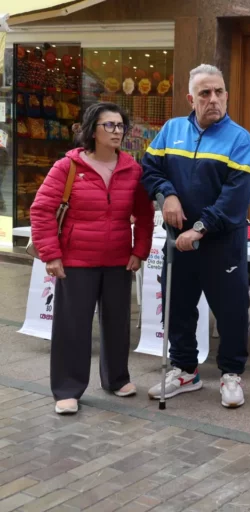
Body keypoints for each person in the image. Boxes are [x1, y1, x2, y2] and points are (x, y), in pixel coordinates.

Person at [141, 64, 250, 409]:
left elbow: (235, 197)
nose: (213, 99)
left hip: (222, 243)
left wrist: (200, 228)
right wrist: (167, 195)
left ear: (226, 95)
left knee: (232, 311)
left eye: (219, 92)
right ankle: (185, 371)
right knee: (177, 307)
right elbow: (149, 169)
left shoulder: (239, 138)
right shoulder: (171, 130)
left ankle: (231, 374)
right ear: (191, 99)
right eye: (205, 93)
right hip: (178, 241)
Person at [30, 102, 154, 415]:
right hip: (76, 261)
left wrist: (139, 251)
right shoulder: (68, 167)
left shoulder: (132, 169)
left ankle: (116, 378)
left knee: (117, 324)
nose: (117, 131)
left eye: (120, 125)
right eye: (109, 125)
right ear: (92, 131)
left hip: (118, 261)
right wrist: (51, 254)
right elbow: (41, 210)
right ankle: (67, 389)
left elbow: (144, 214)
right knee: (72, 326)